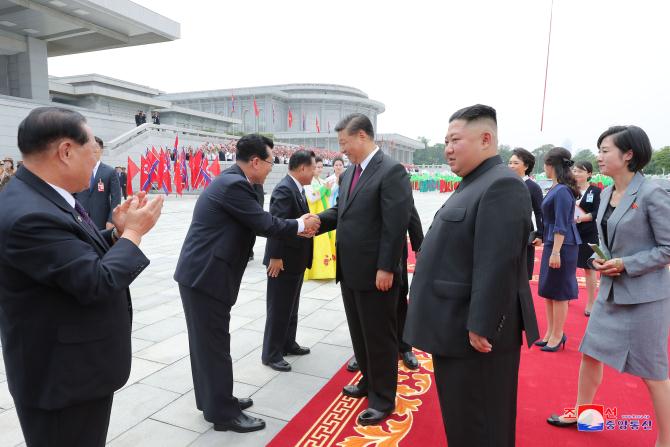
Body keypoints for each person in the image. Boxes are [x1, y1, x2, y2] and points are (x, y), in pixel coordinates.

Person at [0, 106, 163, 446]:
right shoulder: (29, 213)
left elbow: (71, 256)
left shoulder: (42, 197)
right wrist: (134, 234)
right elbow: (95, 281)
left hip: (73, 370)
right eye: (93, 151)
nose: (96, 160)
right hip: (60, 380)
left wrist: (116, 235)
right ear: (66, 151)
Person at [404, 104, 539, 447]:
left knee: (481, 423)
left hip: (475, 335)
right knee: (464, 420)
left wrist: (482, 323)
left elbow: (499, 262)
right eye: (445, 141)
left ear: (485, 138)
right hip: (455, 328)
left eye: (455, 140)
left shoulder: (501, 186)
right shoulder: (475, 182)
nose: (448, 148)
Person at [173, 134, 320, 433]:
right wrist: (301, 225)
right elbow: (265, 224)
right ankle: (223, 414)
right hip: (206, 276)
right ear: (254, 161)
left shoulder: (241, 182)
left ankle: (215, 400)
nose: (271, 168)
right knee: (213, 346)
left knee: (208, 344)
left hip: (207, 274)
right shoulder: (233, 185)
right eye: (269, 162)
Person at [547, 126, 670, 447]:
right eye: (598, 150)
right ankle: (584, 414)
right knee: (590, 354)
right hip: (610, 292)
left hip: (645, 298)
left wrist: (627, 264)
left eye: (605, 150)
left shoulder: (651, 193)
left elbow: (668, 248)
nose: (598, 156)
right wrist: (603, 260)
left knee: (652, 371)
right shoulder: (605, 193)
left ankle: (666, 439)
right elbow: (605, 238)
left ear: (629, 154)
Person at [318, 113, 412, 426]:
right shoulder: (349, 175)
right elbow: (341, 213)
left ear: (362, 136)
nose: (342, 149)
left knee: (380, 337)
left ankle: (383, 399)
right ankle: (369, 381)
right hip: (351, 270)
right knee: (360, 333)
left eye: (344, 142)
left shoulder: (391, 171)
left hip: (377, 273)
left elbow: (395, 224)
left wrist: (387, 267)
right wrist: (316, 222)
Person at [347, 203, 423, 372]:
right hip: (363, 253)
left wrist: (419, 245)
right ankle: (362, 352)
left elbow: (408, 210)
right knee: (362, 305)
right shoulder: (352, 177)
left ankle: (404, 347)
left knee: (399, 300)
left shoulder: (394, 176)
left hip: (393, 252)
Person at [262, 150, 316, 372]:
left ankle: (287, 343)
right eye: (313, 168)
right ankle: (272, 354)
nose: (314, 172)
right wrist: (275, 256)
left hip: (296, 259)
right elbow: (277, 224)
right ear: (302, 168)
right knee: (279, 307)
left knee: (291, 305)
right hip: (282, 260)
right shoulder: (285, 189)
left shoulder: (298, 188)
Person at [536, 147, 581, 352]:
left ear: (551, 165)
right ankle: (550, 332)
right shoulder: (556, 188)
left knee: (560, 291)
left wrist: (555, 251)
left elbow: (562, 223)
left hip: (562, 244)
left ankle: (557, 334)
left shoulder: (562, 190)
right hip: (553, 242)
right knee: (549, 289)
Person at [508, 148, 544, 279]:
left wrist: (540, 234)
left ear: (526, 166)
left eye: (516, 163)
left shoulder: (533, 187)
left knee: (521, 271)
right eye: (510, 162)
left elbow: (540, 212)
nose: (511, 166)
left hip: (523, 231)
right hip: (504, 231)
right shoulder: (504, 183)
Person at [572, 161, 601, 316]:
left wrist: (582, 219)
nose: (576, 174)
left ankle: (591, 303)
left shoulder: (596, 191)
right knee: (568, 267)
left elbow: (598, 212)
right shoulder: (568, 190)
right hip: (570, 233)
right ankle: (567, 295)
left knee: (589, 269)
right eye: (575, 171)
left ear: (589, 174)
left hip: (588, 233)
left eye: (580, 171)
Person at [73, 137, 121, 230]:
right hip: (80, 219)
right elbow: (72, 194)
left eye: (95, 147)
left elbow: (116, 198)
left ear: (101, 150)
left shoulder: (110, 172)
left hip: (101, 221)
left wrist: (111, 220)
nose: (92, 150)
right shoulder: (78, 169)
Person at [304, 156, 336, 280]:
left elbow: (327, 196)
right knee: (317, 241)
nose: (319, 169)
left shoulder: (322, 181)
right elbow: (312, 197)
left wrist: (327, 189)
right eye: (317, 167)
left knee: (326, 239)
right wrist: (324, 189)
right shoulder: (308, 182)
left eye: (321, 167)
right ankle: (315, 271)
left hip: (324, 212)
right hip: (314, 214)